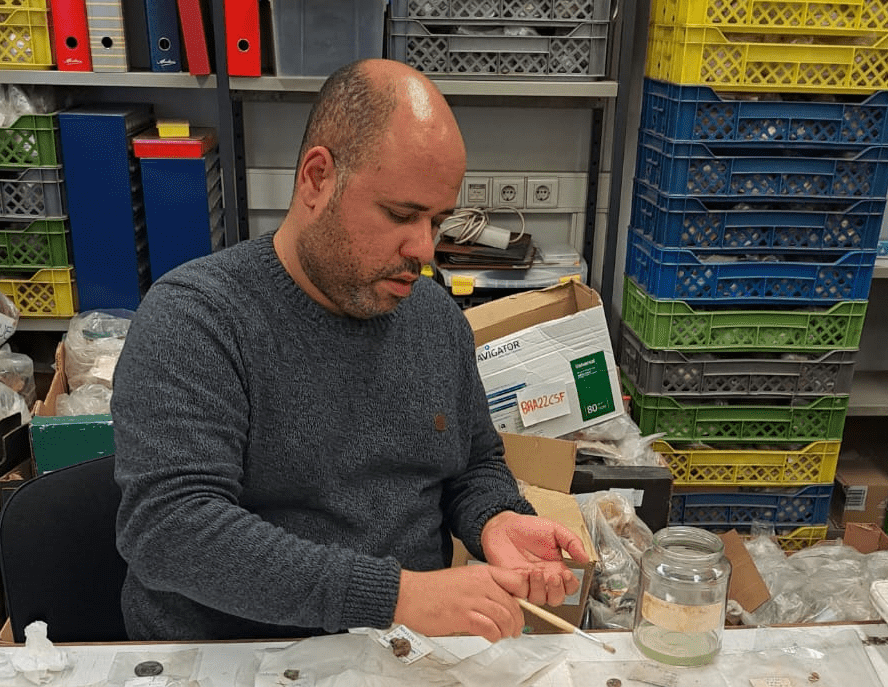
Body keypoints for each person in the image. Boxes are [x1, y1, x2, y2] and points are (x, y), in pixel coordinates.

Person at [110, 58, 590, 643]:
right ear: (317, 179)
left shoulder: (434, 317)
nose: (424, 249)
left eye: (438, 220)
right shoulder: (198, 319)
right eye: (401, 214)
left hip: (401, 657)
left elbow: (473, 464)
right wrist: (396, 597)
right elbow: (169, 528)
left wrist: (496, 517)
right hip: (237, 663)